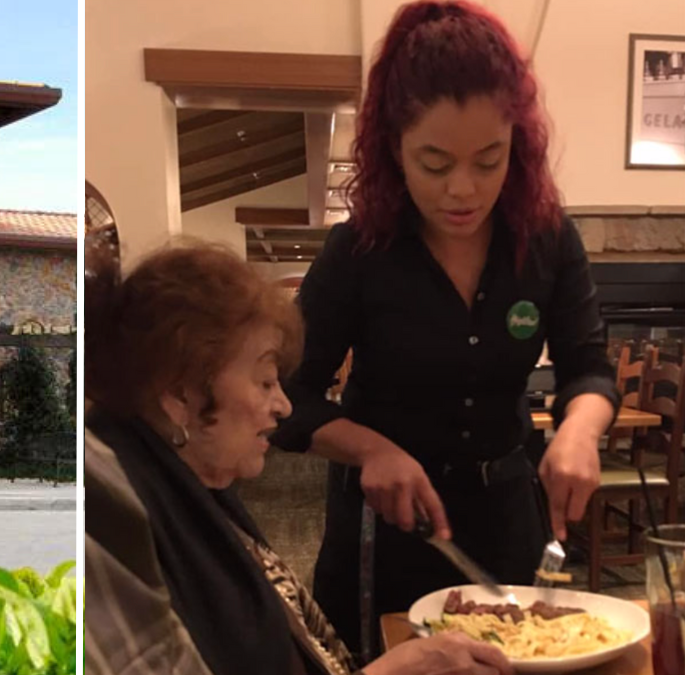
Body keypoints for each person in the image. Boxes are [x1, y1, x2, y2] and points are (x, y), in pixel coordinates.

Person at [273, 0, 619, 653]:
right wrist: (370, 449)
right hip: (387, 532)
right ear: (392, 148)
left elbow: (589, 367)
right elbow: (288, 398)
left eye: (488, 160)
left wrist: (579, 429)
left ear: (516, 142)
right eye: (435, 163)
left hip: (505, 520)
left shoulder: (545, 240)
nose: (463, 188)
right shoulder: (359, 250)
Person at [84, 237, 514, 675]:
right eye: (265, 381)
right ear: (181, 393)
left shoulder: (186, 483)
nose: (283, 406)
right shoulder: (122, 519)